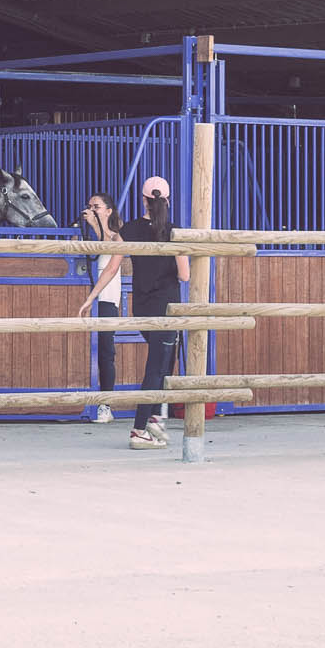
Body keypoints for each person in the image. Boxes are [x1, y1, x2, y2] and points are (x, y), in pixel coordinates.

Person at [118, 174, 191, 450]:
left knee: (162, 361)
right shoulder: (175, 231)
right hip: (167, 306)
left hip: (142, 306)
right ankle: (139, 429)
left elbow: (112, 259)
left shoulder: (131, 229)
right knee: (156, 366)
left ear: (144, 200)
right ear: (167, 200)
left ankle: (154, 418)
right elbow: (184, 276)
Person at [76, 191, 126, 423]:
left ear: (108, 211)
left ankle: (105, 405)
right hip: (88, 297)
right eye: (90, 206)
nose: (92, 210)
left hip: (106, 299)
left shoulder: (117, 236)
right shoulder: (91, 235)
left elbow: (111, 256)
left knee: (106, 352)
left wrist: (97, 226)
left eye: (96, 206)